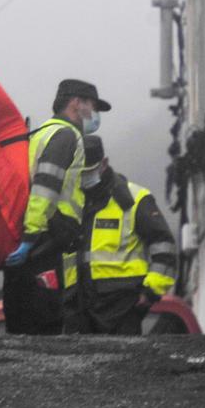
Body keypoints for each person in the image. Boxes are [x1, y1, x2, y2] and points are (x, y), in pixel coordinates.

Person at [2, 78, 110, 334]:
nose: (94, 115)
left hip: (36, 237)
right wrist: (32, 235)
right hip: (45, 239)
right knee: (43, 320)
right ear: (76, 102)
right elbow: (44, 188)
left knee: (24, 319)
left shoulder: (41, 133)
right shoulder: (66, 136)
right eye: (92, 107)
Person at [69, 135, 177, 335]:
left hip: (124, 304)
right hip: (82, 305)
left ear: (104, 164)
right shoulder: (75, 200)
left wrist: (151, 292)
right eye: (79, 173)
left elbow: (165, 247)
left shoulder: (135, 199)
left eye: (89, 171)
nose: (84, 177)